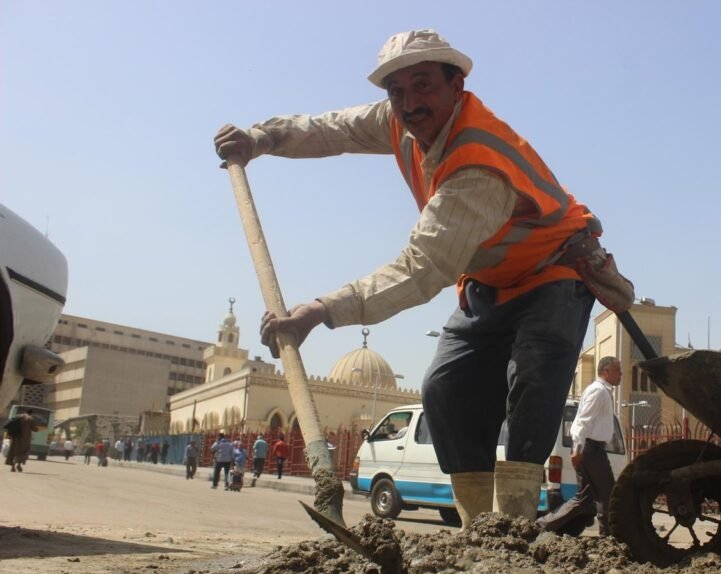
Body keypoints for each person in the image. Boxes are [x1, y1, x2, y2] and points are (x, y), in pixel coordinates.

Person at [214, 29, 621, 527]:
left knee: (532, 382)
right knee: (445, 390)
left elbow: (420, 267)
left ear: (457, 86)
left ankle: (513, 529)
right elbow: (333, 129)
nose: (410, 103)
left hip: (551, 273)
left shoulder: (478, 164)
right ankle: (479, 528)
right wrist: (262, 138)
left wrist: (322, 311)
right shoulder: (398, 120)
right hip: (488, 284)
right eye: (398, 91)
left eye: (423, 85)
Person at [536, 356, 622, 535]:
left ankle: (541, 525)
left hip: (592, 449)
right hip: (591, 450)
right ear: (606, 372)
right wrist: (578, 450)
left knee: (585, 497)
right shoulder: (598, 391)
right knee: (608, 494)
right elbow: (583, 421)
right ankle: (609, 538)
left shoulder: (603, 391)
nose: (621, 374)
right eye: (617, 370)